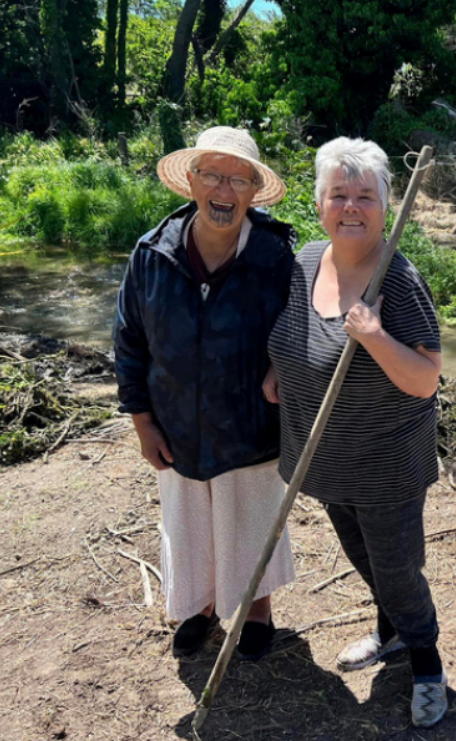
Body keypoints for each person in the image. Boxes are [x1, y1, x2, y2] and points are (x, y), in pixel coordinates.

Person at [265, 138, 447, 727]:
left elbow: (424, 379)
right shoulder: (303, 262)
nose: (350, 207)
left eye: (364, 196)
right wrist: (276, 372)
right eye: (338, 194)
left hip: (386, 462)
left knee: (396, 569)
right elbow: (293, 333)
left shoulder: (398, 278)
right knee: (362, 557)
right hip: (328, 456)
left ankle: (427, 666)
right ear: (318, 204)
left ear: (385, 206)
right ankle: (390, 631)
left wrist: (373, 334)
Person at [114, 126, 296, 661]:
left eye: (239, 178)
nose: (225, 189)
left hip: (251, 425)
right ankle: (200, 607)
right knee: (188, 520)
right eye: (213, 175)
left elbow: (305, 324)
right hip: (178, 423)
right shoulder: (152, 254)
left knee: (252, 514)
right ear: (191, 182)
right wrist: (141, 420)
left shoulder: (276, 255)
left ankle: (257, 608)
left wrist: (283, 364)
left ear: (254, 190)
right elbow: (128, 338)